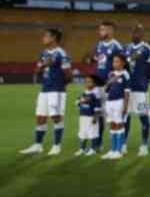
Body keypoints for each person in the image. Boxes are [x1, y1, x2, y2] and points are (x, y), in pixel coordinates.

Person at [21, 28, 70, 156]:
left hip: (56, 90)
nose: (43, 38)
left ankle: (56, 146)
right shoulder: (43, 53)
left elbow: (68, 75)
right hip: (44, 89)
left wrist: (60, 87)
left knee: (55, 116)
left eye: (46, 36)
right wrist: (44, 65)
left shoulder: (61, 54)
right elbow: (37, 70)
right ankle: (38, 145)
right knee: (40, 117)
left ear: (53, 38)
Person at [92, 21, 124, 152]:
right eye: (99, 30)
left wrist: (112, 82)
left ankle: (118, 146)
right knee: (98, 115)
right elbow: (98, 61)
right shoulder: (98, 45)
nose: (100, 32)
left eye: (103, 30)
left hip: (110, 87)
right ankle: (97, 144)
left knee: (113, 117)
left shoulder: (117, 46)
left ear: (110, 31)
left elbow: (122, 67)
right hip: (98, 85)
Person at [126, 25, 150, 155]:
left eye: (137, 32)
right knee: (126, 117)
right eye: (133, 31)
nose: (134, 34)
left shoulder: (147, 49)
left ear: (142, 34)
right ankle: (123, 144)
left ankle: (144, 145)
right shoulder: (127, 48)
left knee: (143, 118)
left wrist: (144, 80)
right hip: (127, 90)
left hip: (141, 89)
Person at [100, 53, 130, 160]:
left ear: (123, 63)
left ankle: (119, 150)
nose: (114, 63)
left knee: (119, 125)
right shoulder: (111, 74)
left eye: (117, 61)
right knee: (112, 124)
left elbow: (127, 92)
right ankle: (112, 150)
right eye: (113, 61)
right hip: (110, 102)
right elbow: (105, 89)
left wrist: (125, 106)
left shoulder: (125, 74)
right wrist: (109, 82)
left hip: (119, 102)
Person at [75, 80, 102, 158]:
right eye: (86, 82)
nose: (88, 84)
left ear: (94, 84)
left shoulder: (95, 94)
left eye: (90, 82)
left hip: (91, 117)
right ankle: (82, 149)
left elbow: (98, 107)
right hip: (83, 117)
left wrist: (95, 117)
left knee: (93, 133)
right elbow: (77, 102)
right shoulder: (83, 94)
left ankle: (93, 149)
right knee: (83, 133)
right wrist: (82, 101)